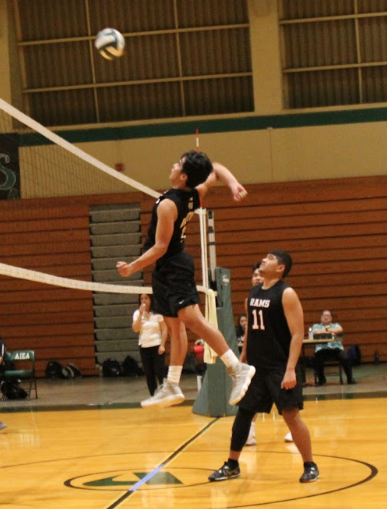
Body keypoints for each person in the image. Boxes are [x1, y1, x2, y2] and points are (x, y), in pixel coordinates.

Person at [117, 150, 254, 409]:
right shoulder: (194, 193)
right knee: (175, 326)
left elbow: (160, 246)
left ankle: (237, 369)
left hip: (174, 265)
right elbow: (216, 168)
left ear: (183, 176)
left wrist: (132, 267)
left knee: (192, 320)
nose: (172, 165)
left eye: (177, 164)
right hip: (163, 271)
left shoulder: (168, 204)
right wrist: (233, 183)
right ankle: (172, 384)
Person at [209, 250, 319, 483]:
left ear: (280, 268)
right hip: (256, 368)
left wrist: (290, 369)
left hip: (280, 367)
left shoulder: (287, 293)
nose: (264, 260)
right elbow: (250, 329)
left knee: (291, 416)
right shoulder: (254, 292)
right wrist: (243, 357)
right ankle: (232, 465)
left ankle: (310, 465)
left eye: (270, 258)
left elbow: (298, 334)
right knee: (244, 414)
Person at [132, 293, 168, 396]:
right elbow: (135, 329)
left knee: (160, 372)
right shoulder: (137, 313)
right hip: (144, 347)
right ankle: (153, 396)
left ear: (150, 299)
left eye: (146, 298)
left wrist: (162, 345)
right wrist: (140, 314)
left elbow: (165, 329)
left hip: (157, 346)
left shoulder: (157, 314)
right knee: (149, 374)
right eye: (141, 298)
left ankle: (164, 395)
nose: (144, 301)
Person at [311, 309, 356, 386]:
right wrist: (330, 331)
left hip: (336, 349)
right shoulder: (316, 326)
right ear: (321, 317)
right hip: (322, 349)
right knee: (316, 358)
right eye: (324, 316)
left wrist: (325, 330)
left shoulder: (336, 325)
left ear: (331, 318)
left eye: (328, 316)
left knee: (345, 358)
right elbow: (316, 332)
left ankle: (350, 379)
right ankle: (321, 379)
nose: (326, 317)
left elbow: (339, 330)